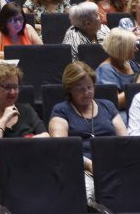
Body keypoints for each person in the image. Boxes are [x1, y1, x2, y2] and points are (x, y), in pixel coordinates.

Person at [48, 62, 127, 202]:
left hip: (112, 164)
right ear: (69, 89)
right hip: (81, 168)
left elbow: (125, 141)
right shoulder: (61, 110)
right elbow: (62, 148)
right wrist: (89, 164)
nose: (86, 93)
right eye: (79, 89)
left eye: (89, 87)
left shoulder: (107, 106)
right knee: (87, 194)